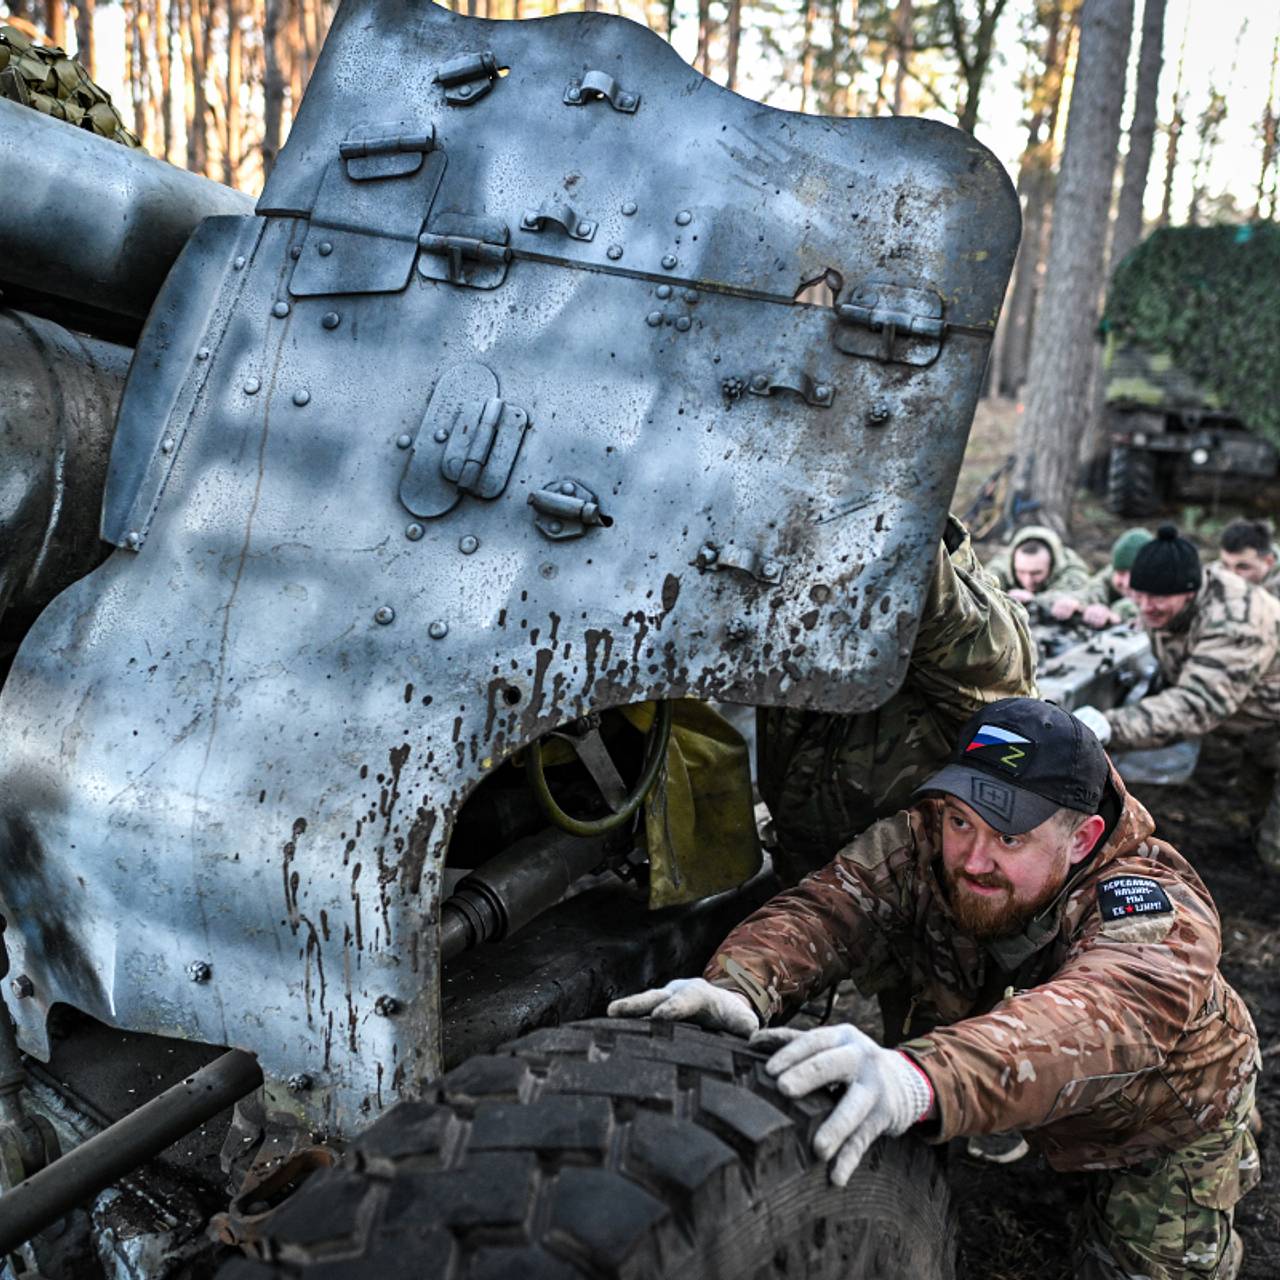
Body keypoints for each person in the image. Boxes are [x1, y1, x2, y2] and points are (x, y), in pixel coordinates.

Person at [610, 697, 1261, 1280]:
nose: (974, 858)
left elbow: (1101, 1020)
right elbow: (828, 909)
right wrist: (740, 986)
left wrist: (923, 1078)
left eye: (1010, 836)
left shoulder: (1149, 908)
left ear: (1083, 838)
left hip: (1155, 1119)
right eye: (961, 822)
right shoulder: (928, 836)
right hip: (1017, 1075)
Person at [758, 514, 1037, 883]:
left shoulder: (983, 631)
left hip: (925, 901)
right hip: (814, 884)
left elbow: (934, 603)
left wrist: (875, 505)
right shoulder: (806, 619)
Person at [1075, 525, 1280, 870]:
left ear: (1188, 592)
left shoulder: (1236, 622)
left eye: (1156, 599)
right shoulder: (1173, 599)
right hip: (1256, 722)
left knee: (1274, 851)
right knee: (1245, 808)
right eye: (1138, 596)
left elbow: (1198, 705)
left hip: (1264, 719)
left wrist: (1109, 726)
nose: (1145, 607)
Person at [1050, 527, 1152, 629]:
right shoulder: (1108, 578)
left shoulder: (1163, 585)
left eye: (1135, 574)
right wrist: (1074, 602)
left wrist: (1115, 614)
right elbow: (1092, 590)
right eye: (1121, 573)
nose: (1126, 582)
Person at [986, 525, 1092, 604]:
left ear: (1052, 565)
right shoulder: (1001, 565)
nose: (1028, 581)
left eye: (1036, 573)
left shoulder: (1072, 568)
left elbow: (1081, 596)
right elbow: (983, 588)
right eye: (1021, 571)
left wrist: (1035, 600)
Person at [1218, 518, 1280, 597]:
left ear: (1269, 561)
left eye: (1243, 567)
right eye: (1226, 565)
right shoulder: (1214, 571)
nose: (1231, 575)